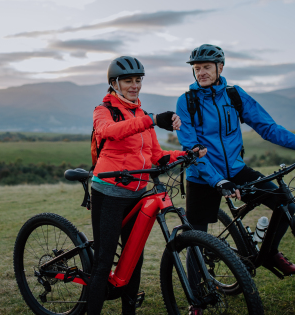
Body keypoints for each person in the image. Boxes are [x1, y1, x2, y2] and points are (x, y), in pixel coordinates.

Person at [175, 44, 295, 276]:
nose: (201, 72)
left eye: (207, 67)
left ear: (220, 67)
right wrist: (218, 181)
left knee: (285, 203)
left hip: (236, 170)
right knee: (196, 240)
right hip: (202, 176)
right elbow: (192, 149)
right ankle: (197, 302)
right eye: (197, 68)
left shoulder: (235, 95)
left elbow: (265, 125)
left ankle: (270, 253)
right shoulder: (186, 102)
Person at [88, 55, 207, 315]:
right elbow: (109, 132)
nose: (134, 85)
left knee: (134, 261)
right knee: (103, 261)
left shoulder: (140, 113)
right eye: (128, 81)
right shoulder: (103, 110)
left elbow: (155, 155)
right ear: (114, 83)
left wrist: (186, 153)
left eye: (138, 80)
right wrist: (153, 119)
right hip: (109, 192)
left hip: (137, 193)